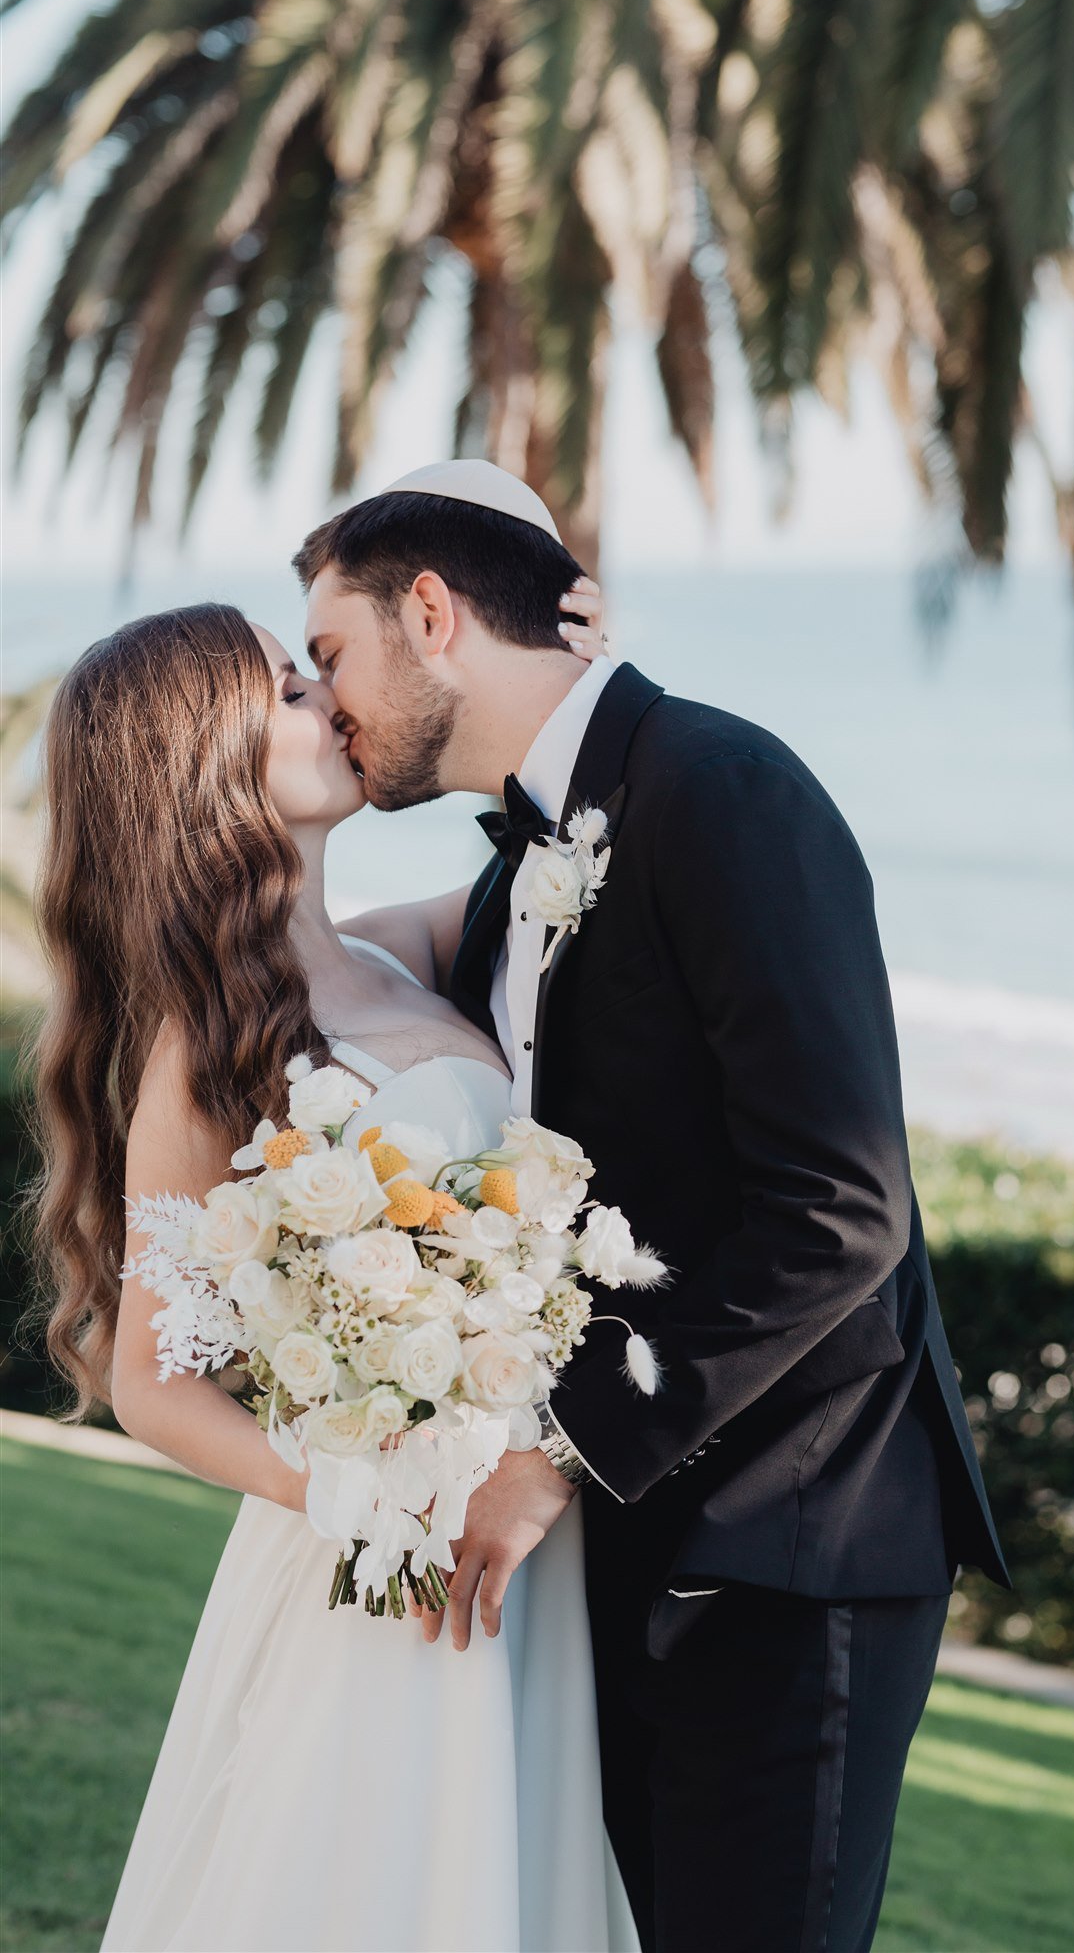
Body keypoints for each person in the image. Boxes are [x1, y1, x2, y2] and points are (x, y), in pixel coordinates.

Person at [292, 459, 1011, 1953]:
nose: (327, 696)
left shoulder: (721, 787)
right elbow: (294, 969)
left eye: (329, 654)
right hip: (639, 1550)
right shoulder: (512, 881)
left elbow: (841, 1208)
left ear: (430, 612)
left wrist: (560, 1449)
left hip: (789, 1538)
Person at [30, 577, 640, 1952]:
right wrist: (372, 1491)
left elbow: (568, 851)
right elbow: (154, 1380)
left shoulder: (402, 951)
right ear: (208, 760)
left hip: (539, 1535)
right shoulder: (210, 1045)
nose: (336, 702)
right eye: (291, 690)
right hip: (385, 1563)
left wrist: (572, 683)